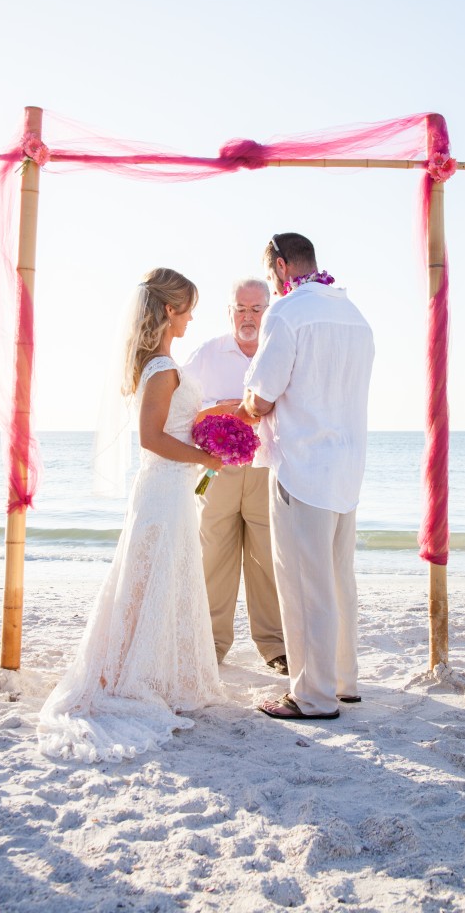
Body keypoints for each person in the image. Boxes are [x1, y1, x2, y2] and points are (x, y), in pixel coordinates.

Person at [37, 268, 223, 762]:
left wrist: (214, 424)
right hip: (164, 488)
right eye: (188, 308)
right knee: (156, 574)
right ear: (169, 310)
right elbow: (154, 439)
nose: (191, 317)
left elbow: (175, 426)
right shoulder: (161, 368)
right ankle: (138, 677)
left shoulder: (161, 365)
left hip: (169, 489)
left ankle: (160, 670)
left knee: (163, 577)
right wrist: (206, 458)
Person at [239, 233, 375, 720]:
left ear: (279, 267)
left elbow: (263, 395)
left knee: (302, 583)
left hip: (302, 468)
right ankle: (343, 682)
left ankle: (312, 696)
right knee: (338, 579)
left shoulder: (288, 312)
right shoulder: (353, 314)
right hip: (347, 468)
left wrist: (247, 408)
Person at [184, 279, 286, 673]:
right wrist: (225, 410)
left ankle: (275, 646)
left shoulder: (280, 351)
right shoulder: (205, 355)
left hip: (267, 469)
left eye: (256, 308)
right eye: (240, 308)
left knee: (267, 559)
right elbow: (182, 410)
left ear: (269, 309)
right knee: (213, 556)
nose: (248, 316)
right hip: (216, 471)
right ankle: (210, 645)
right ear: (229, 312)